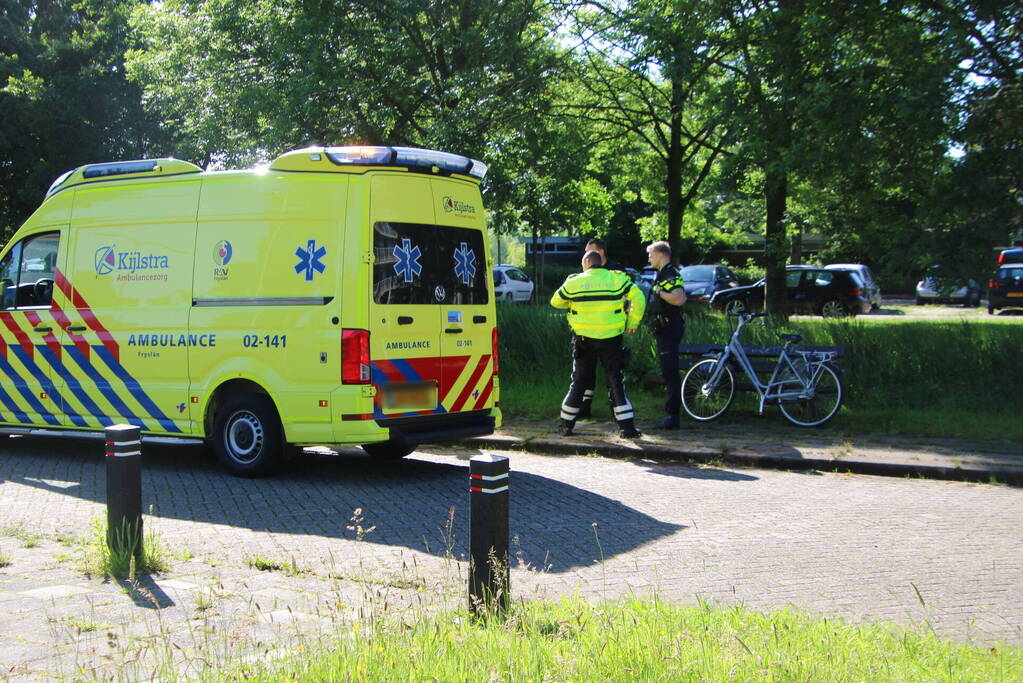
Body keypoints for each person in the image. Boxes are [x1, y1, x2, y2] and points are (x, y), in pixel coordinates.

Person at [551, 250, 646, 438]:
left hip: (583, 339)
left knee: (579, 381)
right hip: (612, 338)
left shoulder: (574, 282)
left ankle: (566, 425)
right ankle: (627, 428)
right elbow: (639, 298)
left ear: (587, 262)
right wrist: (632, 323)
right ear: (600, 262)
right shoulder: (617, 279)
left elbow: (555, 302)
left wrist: (574, 303)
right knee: (615, 380)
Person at [576, 237, 626, 420]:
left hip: (610, 331)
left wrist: (626, 321)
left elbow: (628, 297)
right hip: (587, 331)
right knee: (585, 373)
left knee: (613, 373)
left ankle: (617, 409)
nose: (585, 255)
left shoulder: (617, 271)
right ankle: (584, 408)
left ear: (600, 252)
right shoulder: (585, 272)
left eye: (589, 251)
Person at [645, 240, 687, 429]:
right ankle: (671, 414)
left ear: (661, 254)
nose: (649, 259)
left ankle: (673, 416)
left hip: (670, 329)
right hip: (664, 329)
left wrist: (659, 291)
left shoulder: (670, 274)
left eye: (651, 255)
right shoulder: (663, 274)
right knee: (667, 371)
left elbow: (679, 299)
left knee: (670, 372)